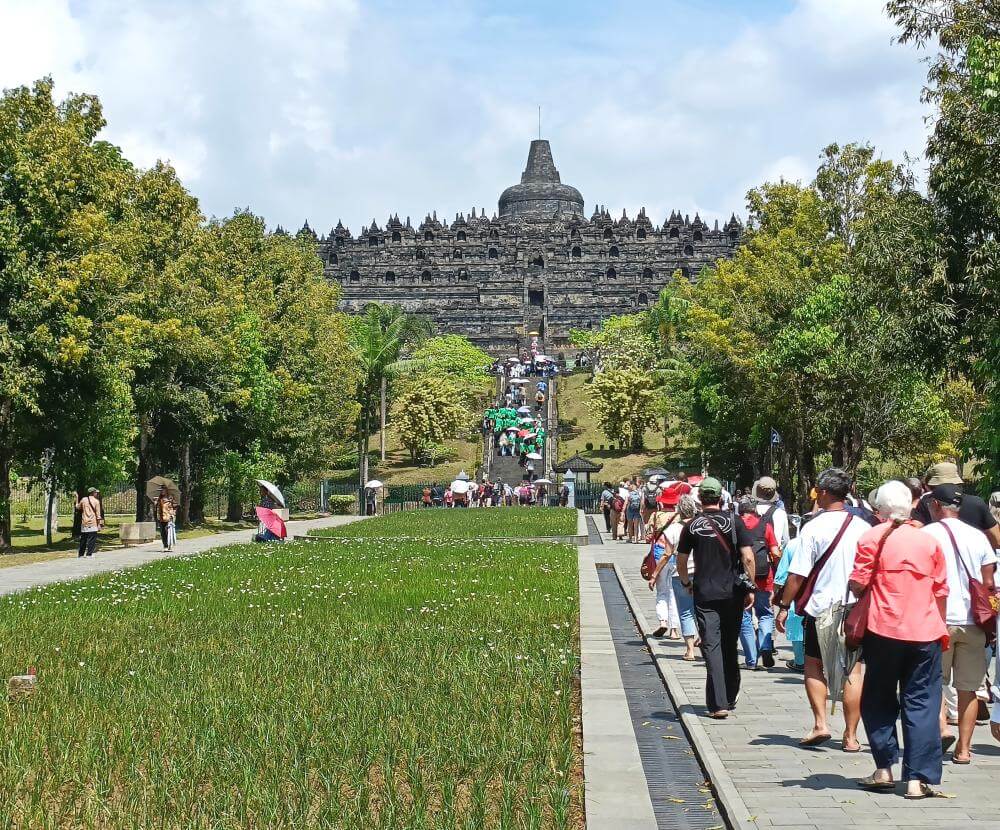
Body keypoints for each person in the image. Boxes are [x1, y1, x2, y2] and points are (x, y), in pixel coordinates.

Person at [849, 480, 949, 799]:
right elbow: (941, 589)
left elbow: (859, 582)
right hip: (926, 631)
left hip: (884, 629)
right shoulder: (928, 542)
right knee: (922, 701)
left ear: (879, 509)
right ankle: (918, 780)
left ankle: (884, 768)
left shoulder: (870, 538)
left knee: (878, 697)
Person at [775, 467, 870, 750]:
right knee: (853, 669)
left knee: (814, 665)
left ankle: (820, 723)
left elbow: (798, 574)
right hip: (854, 609)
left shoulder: (813, 527)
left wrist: (784, 605)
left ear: (824, 493)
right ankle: (851, 736)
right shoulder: (863, 528)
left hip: (820, 609)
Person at [920, 483, 997, 764]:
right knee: (969, 688)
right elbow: (989, 583)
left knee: (934, 682)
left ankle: (941, 728)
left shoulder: (926, 535)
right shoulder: (978, 537)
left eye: (930, 504)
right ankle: (964, 750)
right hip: (973, 622)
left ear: (938, 506)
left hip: (935, 620)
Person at [675, 477, 756, 718]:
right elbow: (748, 557)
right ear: (722, 497)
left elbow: (681, 560)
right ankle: (730, 695)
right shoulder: (735, 521)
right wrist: (751, 587)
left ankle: (718, 703)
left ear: (700, 499)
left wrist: (686, 582)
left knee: (711, 645)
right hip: (732, 592)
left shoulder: (692, 525)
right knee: (730, 644)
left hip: (705, 593)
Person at [650, 494, 700, 657]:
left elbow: (666, 555)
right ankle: (704, 638)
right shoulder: (702, 526)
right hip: (702, 573)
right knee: (702, 609)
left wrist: (654, 575)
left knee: (685, 611)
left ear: (679, 511)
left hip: (681, 573)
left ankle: (690, 650)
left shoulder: (672, 529)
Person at [912, 462, 1000, 548]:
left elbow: (914, 531)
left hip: (937, 557)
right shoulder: (977, 503)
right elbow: (996, 541)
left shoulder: (927, 502)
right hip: (973, 559)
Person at [737, 499, 781, 670]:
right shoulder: (765, 526)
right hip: (764, 577)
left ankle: (751, 660)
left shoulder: (736, 526)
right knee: (765, 614)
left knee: (745, 617)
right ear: (754, 511)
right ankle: (765, 646)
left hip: (743, 577)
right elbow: (775, 552)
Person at [752, 476, 790, 547]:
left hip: (753, 554)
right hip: (774, 554)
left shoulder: (751, 511)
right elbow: (786, 540)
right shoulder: (780, 513)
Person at [76, 488, 103, 558]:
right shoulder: (96, 501)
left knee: (83, 539)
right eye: (96, 492)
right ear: (93, 493)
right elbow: (98, 514)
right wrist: (99, 524)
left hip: (84, 522)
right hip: (93, 523)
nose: (97, 494)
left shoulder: (84, 500)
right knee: (92, 539)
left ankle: (81, 554)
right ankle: (89, 554)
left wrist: (76, 498)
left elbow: (78, 507)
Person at [155, 486, 176, 552]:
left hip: (168, 517)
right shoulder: (159, 499)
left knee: (168, 531)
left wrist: (172, 514)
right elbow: (157, 509)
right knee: (163, 532)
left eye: (162, 490)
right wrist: (155, 504)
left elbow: (174, 507)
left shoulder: (170, 498)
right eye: (160, 490)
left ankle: (169, 545)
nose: (161, 491)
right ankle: (165, 546)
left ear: (166, 490)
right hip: (161, 517)